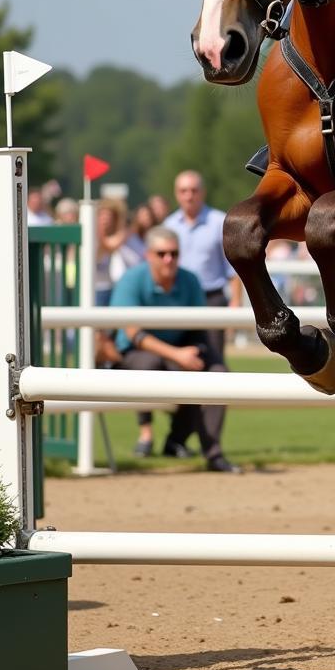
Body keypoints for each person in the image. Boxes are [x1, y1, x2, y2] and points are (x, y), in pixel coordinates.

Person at [110, 226, 238, 472]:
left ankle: (209, 452)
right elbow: (133, 333)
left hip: (177, 347)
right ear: (148, 255)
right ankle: (146, 434)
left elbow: (199, 326)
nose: (169, 259)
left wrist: (195, 353)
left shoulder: (189, 279)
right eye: (161, 253)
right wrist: (178, 355)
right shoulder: (132, 280)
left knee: (217, 373)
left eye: (174, 253)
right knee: (151, 364)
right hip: (135, 354)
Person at [163, 171, 241, 360]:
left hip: (211, 298)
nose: (189, 195)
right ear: (176, 194)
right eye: (183, 191)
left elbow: (233, 268)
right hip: (177, 298)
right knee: (177, 356)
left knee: (213, 356)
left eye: (193, 190)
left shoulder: (219, 222)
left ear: (202, 192)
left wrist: (235, 304)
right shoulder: (168, 226)